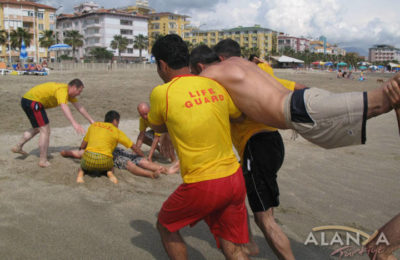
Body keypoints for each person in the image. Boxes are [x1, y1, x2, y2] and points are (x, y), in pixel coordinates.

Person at [190, 44, 296, 259]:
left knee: (264, 219)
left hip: (256, 147)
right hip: (272, 143)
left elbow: (237, 115)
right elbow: (289, 86)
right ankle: (246, 241)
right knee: (234, 191)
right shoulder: (258, 72)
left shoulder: (228, 83)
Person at [149, 34, 249, 259]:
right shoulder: (214, 85)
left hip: (204, 183)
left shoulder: (161, 93)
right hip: (234, 177)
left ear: (162, 65)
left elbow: (155, 123)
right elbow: (237, 115)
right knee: (231, 245)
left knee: (166, 225)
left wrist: (165, 131)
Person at [200, 39, 400, 150]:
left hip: (300, 110)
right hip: (305, 101)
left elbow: (188, 94)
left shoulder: (215, 71)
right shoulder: (248, 65)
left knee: (383, 100)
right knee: (387, 99)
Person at [12, 79, 95, 167]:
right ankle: (43, 160)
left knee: (38, 128)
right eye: (79, 91)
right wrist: (74, 123)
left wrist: (91, 121)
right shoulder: (62, 90)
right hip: (33, 102)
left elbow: (79, 107)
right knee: (45, 130)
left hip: (26, 100)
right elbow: (64, 106)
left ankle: (18, 146)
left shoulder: (68, 93)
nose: (79, 93)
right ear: (74, 87)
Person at [75, 110, 145, 184]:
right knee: (110, 166)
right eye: (118, 122)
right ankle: (109, 173)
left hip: (89, 160)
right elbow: (133, 147)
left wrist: (81, 151)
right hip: (104, 161)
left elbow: (83, 145)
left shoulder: (94, 125)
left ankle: (81, 174)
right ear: (115, 121)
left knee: (82, 167)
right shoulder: (116, 131)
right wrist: (142, 155)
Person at [60, 147, 179, 179]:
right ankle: (151, 175)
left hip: (119, 151)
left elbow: (71, 153)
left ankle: (167, 170)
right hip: (114, 156)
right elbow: (73, 153)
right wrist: (65, 152)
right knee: (129, 164)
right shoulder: (90, 150)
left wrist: (65, 152)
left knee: (141, 161)